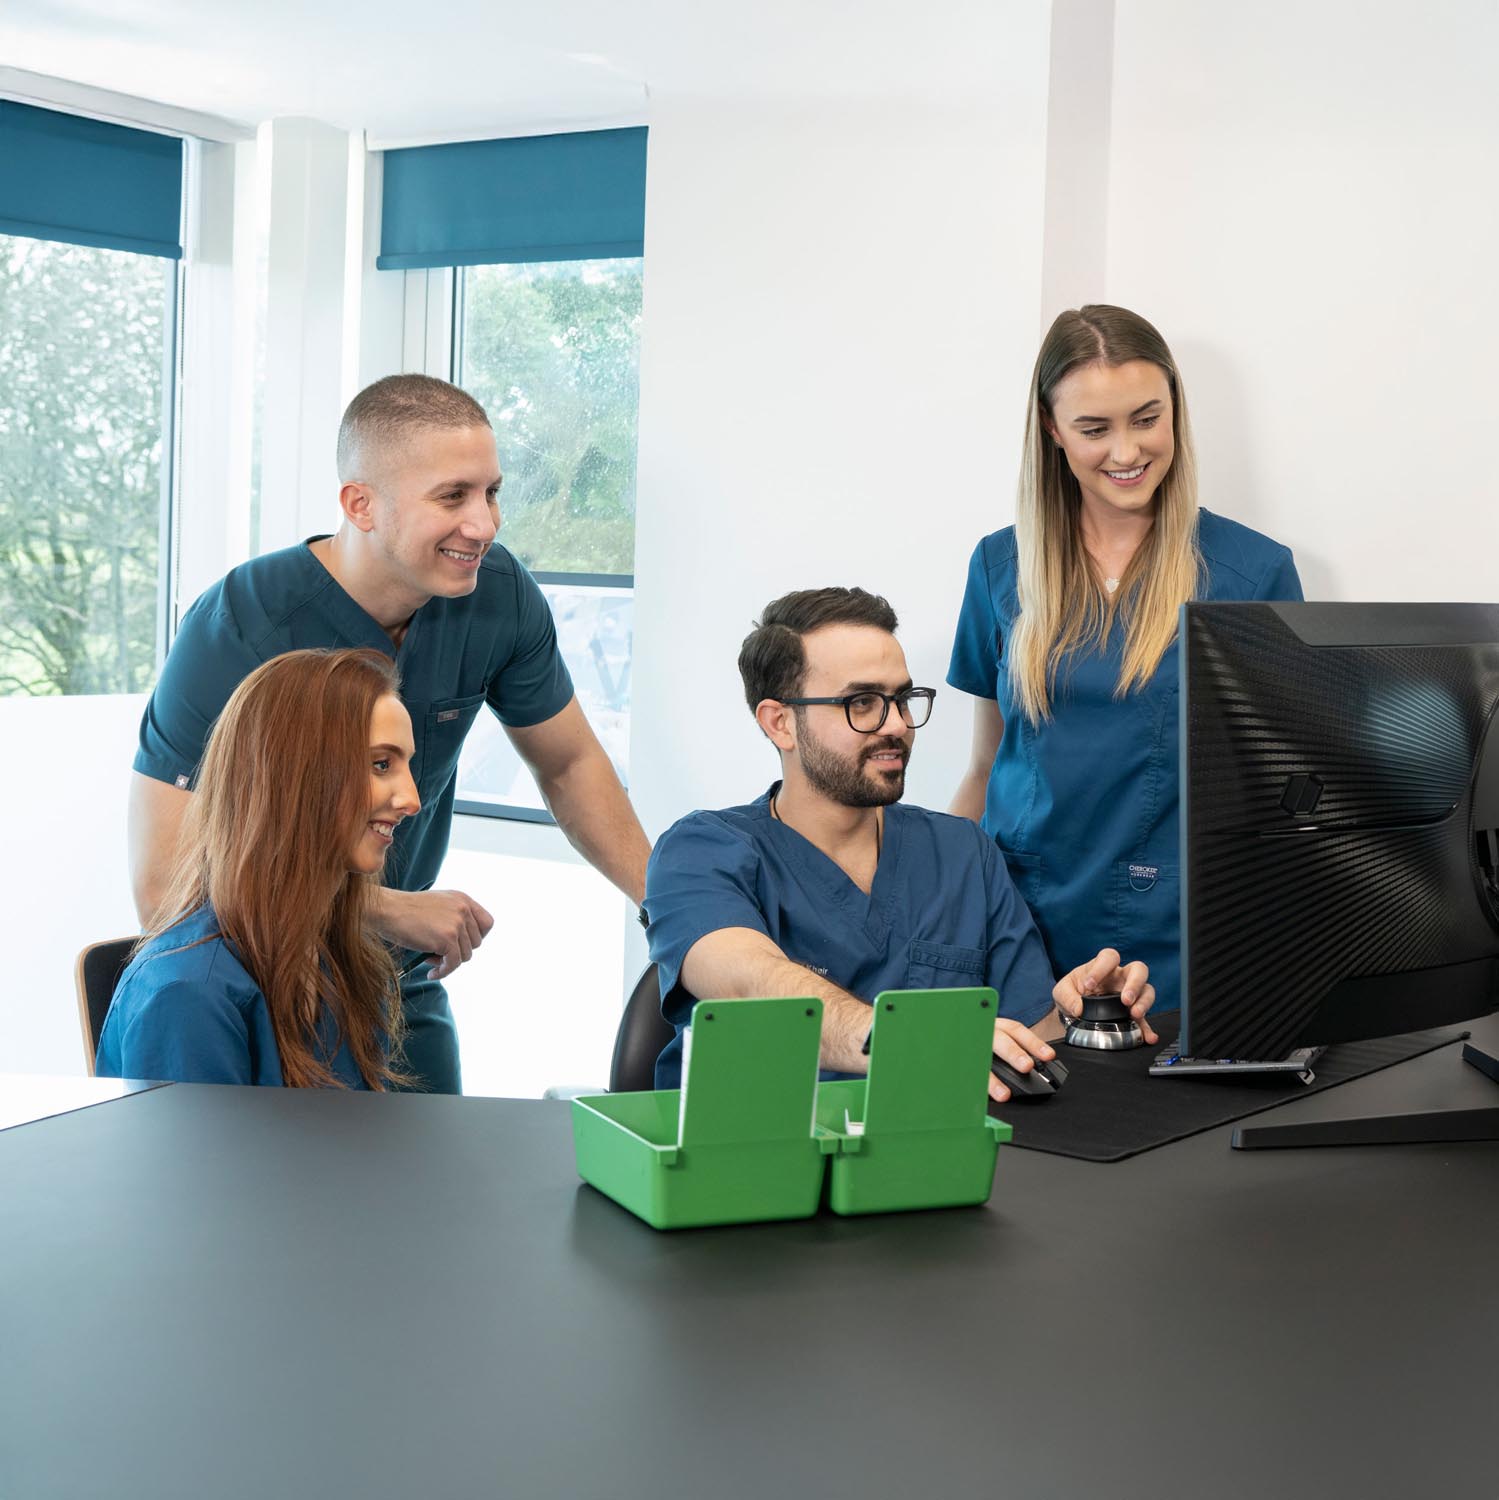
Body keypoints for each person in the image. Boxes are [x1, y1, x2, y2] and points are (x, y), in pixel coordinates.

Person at [128, 374, 651, 1094]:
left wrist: (674, 911)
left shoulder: (495, 597)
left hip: (396, 978)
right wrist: (382, 909)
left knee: (436, 1192)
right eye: (453, 496)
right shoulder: (242, 625)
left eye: (491, 492)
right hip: (267, 978)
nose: (486, 524)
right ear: (359, 504)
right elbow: (164, 887)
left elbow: (567, 766)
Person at [643, 588, 1155, 1100]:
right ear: (780, 723)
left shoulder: (962, 853)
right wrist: (921, 1042)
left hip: (937, 1159)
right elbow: (753, 987)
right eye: (861, 703)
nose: (897, 725)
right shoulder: (700, 853)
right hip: (756, 1161)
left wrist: (1086, 1018)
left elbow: (1030, 1043)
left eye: (902, 699)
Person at [948, 305, 1302, 1019]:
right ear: (1050, 430)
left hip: (1170, 937)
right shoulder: (999, 566)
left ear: (1175, 409)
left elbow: (1282, 792)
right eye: (1093, 428)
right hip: (1017, 923)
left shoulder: (1252, 574)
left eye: (1146, 417)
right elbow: (987, 766)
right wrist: (936, 899)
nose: (1125, 450)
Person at [98, 649, 419, 1088]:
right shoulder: (189, 995)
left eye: (407, 765)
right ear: (296, 777)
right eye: (381, 764)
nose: (411, 800)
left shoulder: (341, 963)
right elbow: (200, 1160)